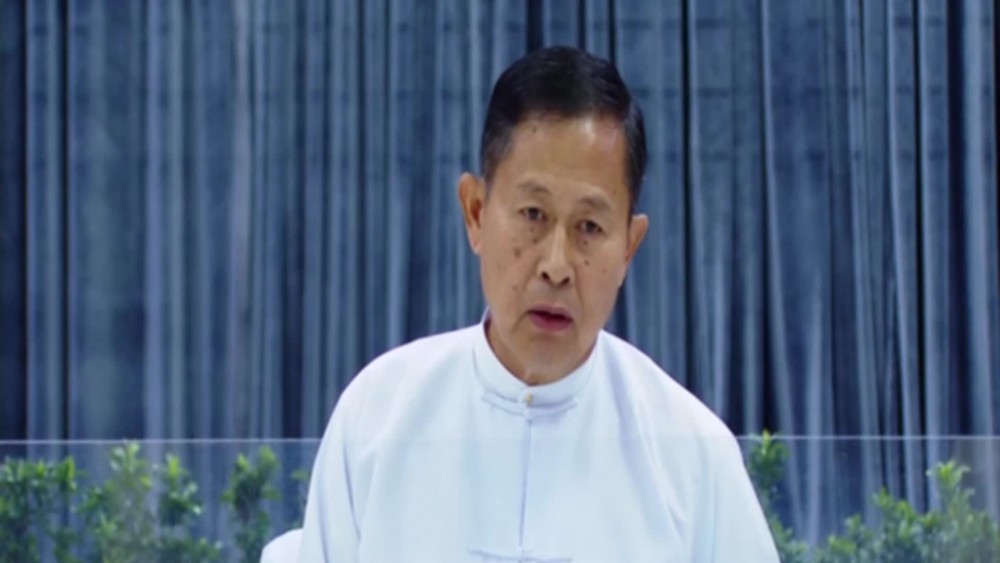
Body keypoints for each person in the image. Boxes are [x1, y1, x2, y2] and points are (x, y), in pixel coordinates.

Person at [297, 46, 779, 562]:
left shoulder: (693, 456)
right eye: (533, 214)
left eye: (589, 226)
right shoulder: (375, 419)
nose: (556, 265)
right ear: (476, 213)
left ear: (629, 247)